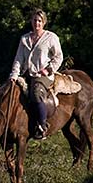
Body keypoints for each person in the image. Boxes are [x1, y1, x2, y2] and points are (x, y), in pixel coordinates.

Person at [9, 8, 63, 139]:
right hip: (27, 74)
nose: (36, 23)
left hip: (43, 75)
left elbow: (58, 57)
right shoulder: (25, 39)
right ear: (31, 21)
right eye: (34, 20)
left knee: (36, 92)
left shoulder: (51, 38)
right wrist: (14, 75)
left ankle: (42, 126)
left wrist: (48, 70)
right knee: (7, 91)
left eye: (39, 21)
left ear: (43, 22)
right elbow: (18, 59)